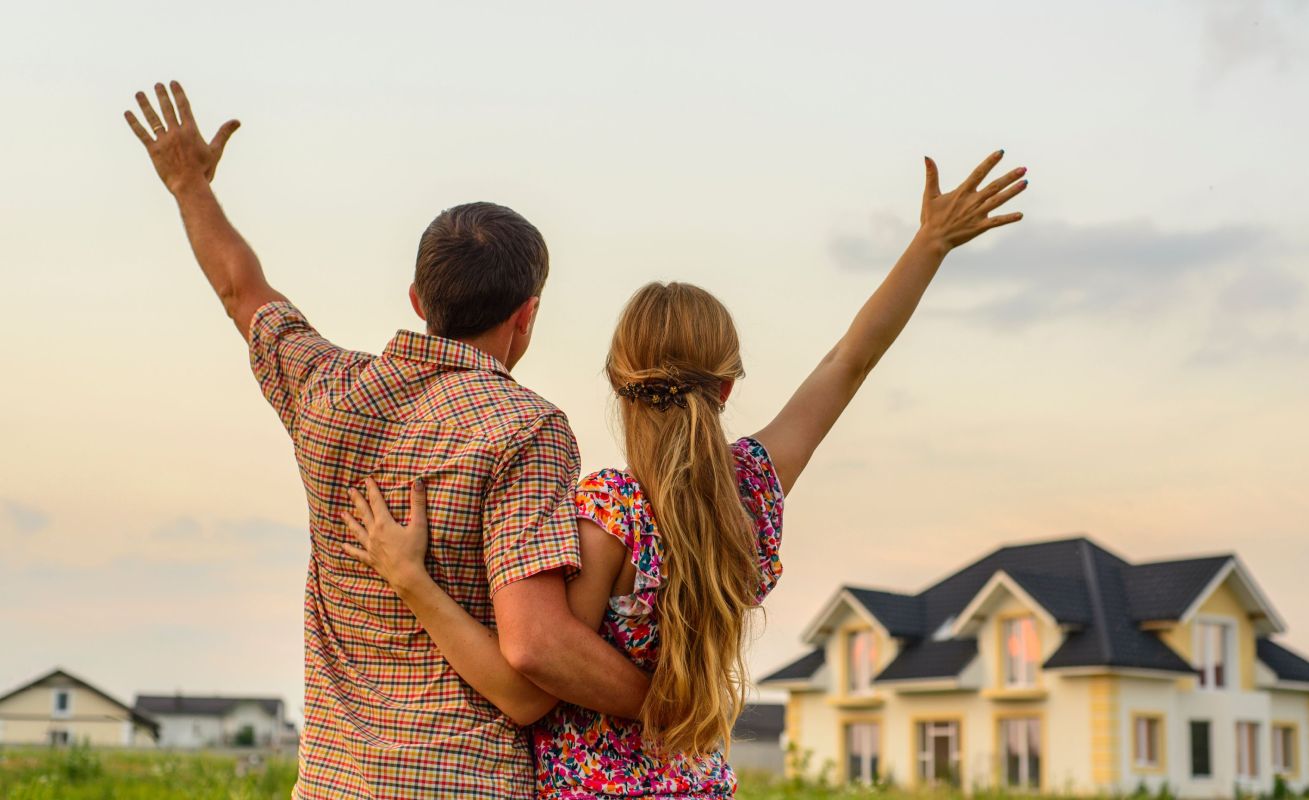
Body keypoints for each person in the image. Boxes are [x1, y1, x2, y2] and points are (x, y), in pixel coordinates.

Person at [343, 150, 1027, 797]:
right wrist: (929, 244)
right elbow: (848, 361)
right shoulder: (751, 491)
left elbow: (529, 678)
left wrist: (412, 581)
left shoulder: (608, 514)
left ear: (617, 382)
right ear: (726, 389)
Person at [124, 81, 650, 799]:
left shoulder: (327, 390)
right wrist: (677, 705)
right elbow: (537, 657)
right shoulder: (528, 430)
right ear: (526, 316)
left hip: (335, 782)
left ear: (417, 300)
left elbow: (240, 290)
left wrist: (189, 186)